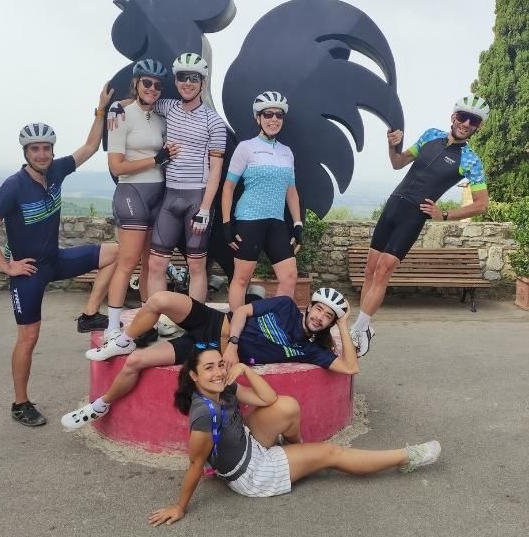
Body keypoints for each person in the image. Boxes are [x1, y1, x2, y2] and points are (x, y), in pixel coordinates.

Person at [147, 346, 441, 525]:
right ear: (194, 376)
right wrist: (179, 506)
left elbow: (267, 398)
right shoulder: (204, 412)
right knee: (332, 454)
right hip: (254, 473)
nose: (218, 372)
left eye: (220, 364)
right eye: (209, 368)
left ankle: (299, 454)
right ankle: (408, 457)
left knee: (286, 405)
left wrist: (245, 371)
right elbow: (196, 464)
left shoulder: (224, 388)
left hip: (247, 444)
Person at [0, 84, 118, 427]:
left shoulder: (55, 171)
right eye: (35, 149)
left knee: (118, 252)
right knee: (29, 337)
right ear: (26, 152)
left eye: (46, 148)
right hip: (28, 272)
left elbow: (89, 147)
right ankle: (20, 404)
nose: (42, 154)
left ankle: (88, 314)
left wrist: (100, 110)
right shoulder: (14, 185)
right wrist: (6, 266)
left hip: (55, 259)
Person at [61, 287, 358, 430]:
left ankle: (99, 407)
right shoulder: (285, 306)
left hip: (208, 351)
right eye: (319, 309)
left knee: (136, 363)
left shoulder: (311, 350)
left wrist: (343, 323)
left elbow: (350, 366)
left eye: (328, 316)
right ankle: (124, 341)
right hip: (217, 325)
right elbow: (241, 311)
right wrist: (233, 344)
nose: (320, 317)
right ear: (310, 308)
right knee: (160, 300)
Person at [351, 95, 490, 356]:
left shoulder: (471, 160)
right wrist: (391, 146)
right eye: (463, 116)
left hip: (414, 215)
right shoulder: (430, 135)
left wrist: (445, 215)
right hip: (393, 205)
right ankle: (364, 326)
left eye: (474, 120)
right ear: (453, 116)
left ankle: (359, 327)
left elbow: (482, 204)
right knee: (370, 269)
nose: (467, 123)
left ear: (478, 127)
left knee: (383, 271)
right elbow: (398, 163)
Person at [108, 52, 226, 344]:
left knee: (196, 266)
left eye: (194, 78)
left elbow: (216, 171)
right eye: (182, 77)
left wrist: (206, 208)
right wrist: (112, 108)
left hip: (196, 198)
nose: (187, 83)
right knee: (157, 265)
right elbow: (138, 102)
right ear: (176, 80)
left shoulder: (214, 122)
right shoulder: (167, 106)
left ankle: (196, 321)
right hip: (169, 195)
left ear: (203, 81)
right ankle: (161, 320)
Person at [104, 59, 179, 337]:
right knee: (128, 261)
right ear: (136, 83)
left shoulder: (160, 118)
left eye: (158, 85)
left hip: (158, 194)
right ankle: (113, 325)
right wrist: (155, 159)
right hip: (131, 192)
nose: (152, 88)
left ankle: (148, 321)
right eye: (147, 82)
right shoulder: (120, 115)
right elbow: (116, 166)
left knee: (151, 262)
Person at [222, 91, 303, 310]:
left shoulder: (287, 152)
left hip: (276, 223)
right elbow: (228, 187)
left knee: (289, 277)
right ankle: (236, 331)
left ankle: (274, 327)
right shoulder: (246, 147)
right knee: (241, 279)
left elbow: (292, 191)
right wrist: (227, 224)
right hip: (249, 221)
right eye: (268, 114)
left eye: (279, 115)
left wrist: (297, 224)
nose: (274, 119)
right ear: (258, 118)